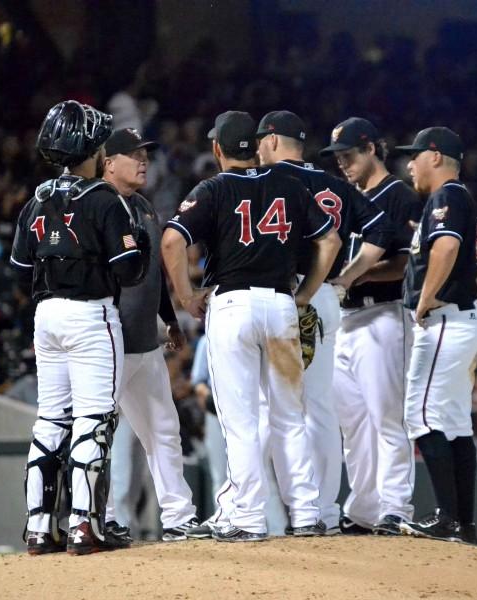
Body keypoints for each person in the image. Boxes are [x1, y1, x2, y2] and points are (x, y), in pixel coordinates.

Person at [161, 110, 341, 541]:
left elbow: (171, 240)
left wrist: (187, 298)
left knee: (241, 420)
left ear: (218, 148)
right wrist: (306, 293)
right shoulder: (290, 185)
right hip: (280, 306)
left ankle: (247, 518)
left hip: (233, 306)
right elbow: (330, 239)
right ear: (258, 146)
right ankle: (306, 514)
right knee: (289, 416)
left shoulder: (213, 188)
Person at [10, 101, 146, 556]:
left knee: (50, 420)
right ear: (90, 147)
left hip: (46, 317)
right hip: (91, 315)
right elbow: (130, 270)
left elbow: (18, 267)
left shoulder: (38, 198)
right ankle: (84, 526)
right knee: (94, 420)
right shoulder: (104, 199)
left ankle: (37, 527)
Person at [255, 110, 391, 534]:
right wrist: (346, 277)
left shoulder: (264, 183)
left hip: (288, 295)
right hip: (327, 295)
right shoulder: (334, 185)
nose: (257, 148)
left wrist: (308, 291)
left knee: (268, 407)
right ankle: (324, 512)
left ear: (273, 141)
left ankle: (267, 513)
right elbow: (383, 233)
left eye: (261, 140)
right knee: (319, 407)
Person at [318, 117, 421, 534]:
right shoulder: (347, 198)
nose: (343, 163)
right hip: (346, 319)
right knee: (353, 421)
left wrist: (351, 276)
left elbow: (406, 262)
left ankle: (396, 507)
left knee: (387, 416)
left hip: (385, 314)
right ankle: (362, 508)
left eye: (349, 155)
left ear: (372, 149)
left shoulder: (400, 196)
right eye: (338, 157)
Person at [100, 128, 202, 541]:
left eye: (145, 153)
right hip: (105, 341)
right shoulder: (96, 204)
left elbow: (156, 274)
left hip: (144, 340)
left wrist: (171, 321)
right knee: (97, 434)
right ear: (109, 162)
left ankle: (178, 516)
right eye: (133, 154)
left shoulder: (143, 206)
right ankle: (98, 516)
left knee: (163, 427)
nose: (143, 160)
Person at [394, 127, 477, 544]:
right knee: (453, 423)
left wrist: (425, 297)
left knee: (421, 415)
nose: (409, 164)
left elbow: (446, 247)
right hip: (462, 319)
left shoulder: (447, 196)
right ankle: (463, 522)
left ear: (434, 156)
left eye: (414, 155)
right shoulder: (459, 197)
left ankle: (448, 519)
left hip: (447, 319)